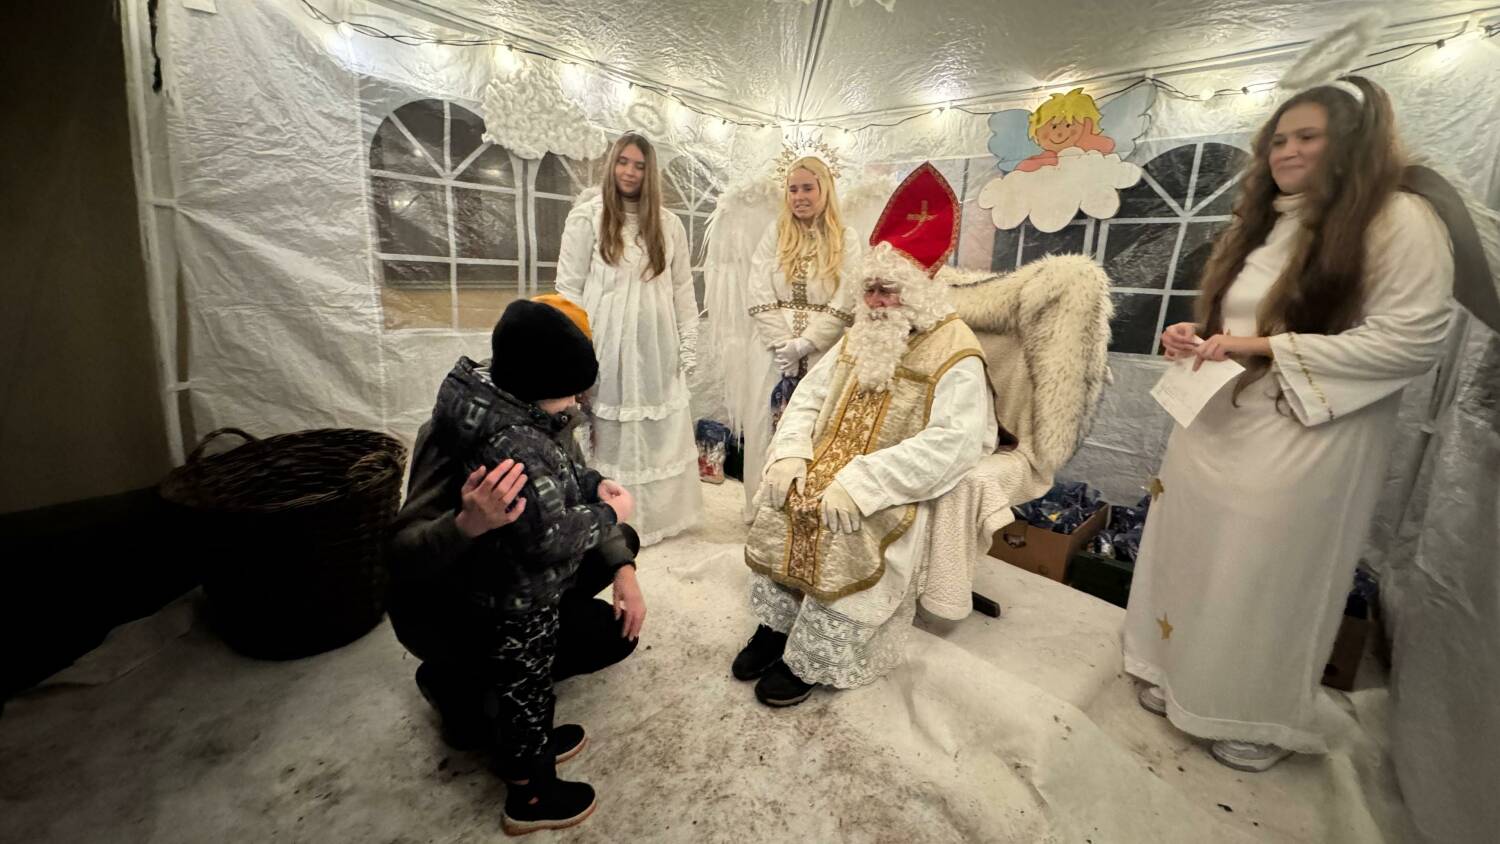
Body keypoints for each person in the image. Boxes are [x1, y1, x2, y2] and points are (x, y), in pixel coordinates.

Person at [1123, 76, 1456, 773]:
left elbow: (1413, 339)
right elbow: (1240, 323)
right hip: (1223, 419)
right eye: (1278, 139)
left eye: (1308, 137)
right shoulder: (1269, 222)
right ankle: (1177, 673)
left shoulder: (1397, 219)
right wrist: (1197, 334)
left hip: (1305, 431)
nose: (1288, 151)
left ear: (1353, 146)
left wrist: (1263, 347)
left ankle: (1252, 712)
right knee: (1194, 548)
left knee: (1263, 570)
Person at [733, 163, 998, 706]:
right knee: (782, 497)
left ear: (918, 293)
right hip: (826, 461)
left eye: (888, 291)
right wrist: (790, 454)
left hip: (887, 484)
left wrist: (863, 484)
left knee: (844, 527)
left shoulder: (955, 349)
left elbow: (955, 442)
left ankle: (816, 653)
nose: (875, 301)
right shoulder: (862, 333)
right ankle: (778, 625)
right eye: (869, 289)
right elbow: (809, 397)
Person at [388, 299, 646, 834]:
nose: (577, 402)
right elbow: (404, 555)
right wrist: (466, 524)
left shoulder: (528, 415)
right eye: (571, 390)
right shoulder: (474, 440)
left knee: (541, 678)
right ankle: (515, 772)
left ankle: (512, 731)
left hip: (512, 582)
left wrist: (602, 510)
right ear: (540, 378)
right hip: (465, 599)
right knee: (522, 687)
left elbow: (566, 480)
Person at [554, 132, 703, 546]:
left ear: (649, 172)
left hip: (656, 345)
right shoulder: (587, 218)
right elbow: (568, 289)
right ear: (612, 165)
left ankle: (653, 518)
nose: (630, 172)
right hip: (605, 344)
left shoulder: (669, 225)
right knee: (606, 429)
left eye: (639, 165)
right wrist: (576, 350)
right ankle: (611, 516)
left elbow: (682, 289)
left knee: (657, 433)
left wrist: (688, 343)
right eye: (623, 162)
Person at [740, 156, 862, 520]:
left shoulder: (846, 238)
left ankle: (802, 512)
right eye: (793, 189)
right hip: (771, 350)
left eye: (808, 188)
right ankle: (761, 510)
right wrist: (783, 344)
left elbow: (847, 297)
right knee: (764, 423)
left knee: (815, 427)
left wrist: (806, 343)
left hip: (824, 352)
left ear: (825, 190)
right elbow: (758, 288)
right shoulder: (775, 233)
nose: (799, 196)